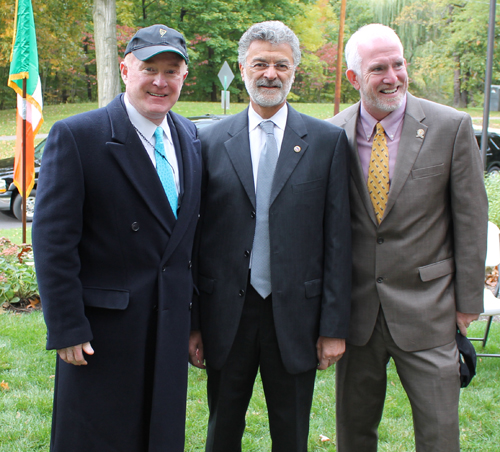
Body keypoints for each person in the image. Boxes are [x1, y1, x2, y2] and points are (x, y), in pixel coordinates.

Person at [32, 24, 201, 452]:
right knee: (98, 437)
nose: (160, 82)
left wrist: (194, 322)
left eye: (172, 70)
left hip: (168, 325)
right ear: (125, 70)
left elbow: (185, 244)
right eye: (149, 69)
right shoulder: (78, 136)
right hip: (102, 333)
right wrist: (66, 325)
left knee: (158, 436)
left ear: (185, 77)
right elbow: (53, 241)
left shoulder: (190, 137)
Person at [188, 21, 351, 452]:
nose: (270, 74)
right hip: (226, 315)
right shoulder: (206, 141)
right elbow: (193, 238)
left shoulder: (327, 141)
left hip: (297, 317)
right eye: (260, 63)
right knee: (222, 429)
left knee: (291, 433)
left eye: (281, 65)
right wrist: (194, 323)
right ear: (243, 68)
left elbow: (338, 240)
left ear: (294, 70)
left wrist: (334, 328)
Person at [327, 23, 487, 451]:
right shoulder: (330, 134)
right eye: (379, 68)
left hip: (430, 309)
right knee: (354, 434)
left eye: (398, 64)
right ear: (354, 78)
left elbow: (471, 218)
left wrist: (468, 304)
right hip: (357, 314)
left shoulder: (450, 127)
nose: (393, 77)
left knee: (438, 435)